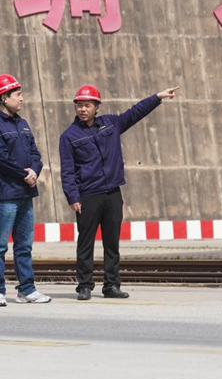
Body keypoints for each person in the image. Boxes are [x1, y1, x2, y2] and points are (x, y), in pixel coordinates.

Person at [59, 84, 179, 300]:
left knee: (111, 242)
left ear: (97, 106)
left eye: (87, 105)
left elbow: (135, 112)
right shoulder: (69, 136)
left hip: (113, 193)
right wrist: (73, 196)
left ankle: (111, 286)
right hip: (88, 195)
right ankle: (84, 286)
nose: (82, 109)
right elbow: (67, 170)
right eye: (79, 105)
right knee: (85, 242)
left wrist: (157, 98)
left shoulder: (111, 124)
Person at [0, 74, 51, 306]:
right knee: (0, 245)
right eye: (17, 94)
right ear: (3, 97)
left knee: (24, 246)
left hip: (25, 193)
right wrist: (25, 174)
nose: (21, 99)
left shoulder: (22, 124)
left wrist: (34, 171)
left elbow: (35, 154)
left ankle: (26, 290)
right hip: (5, 195)